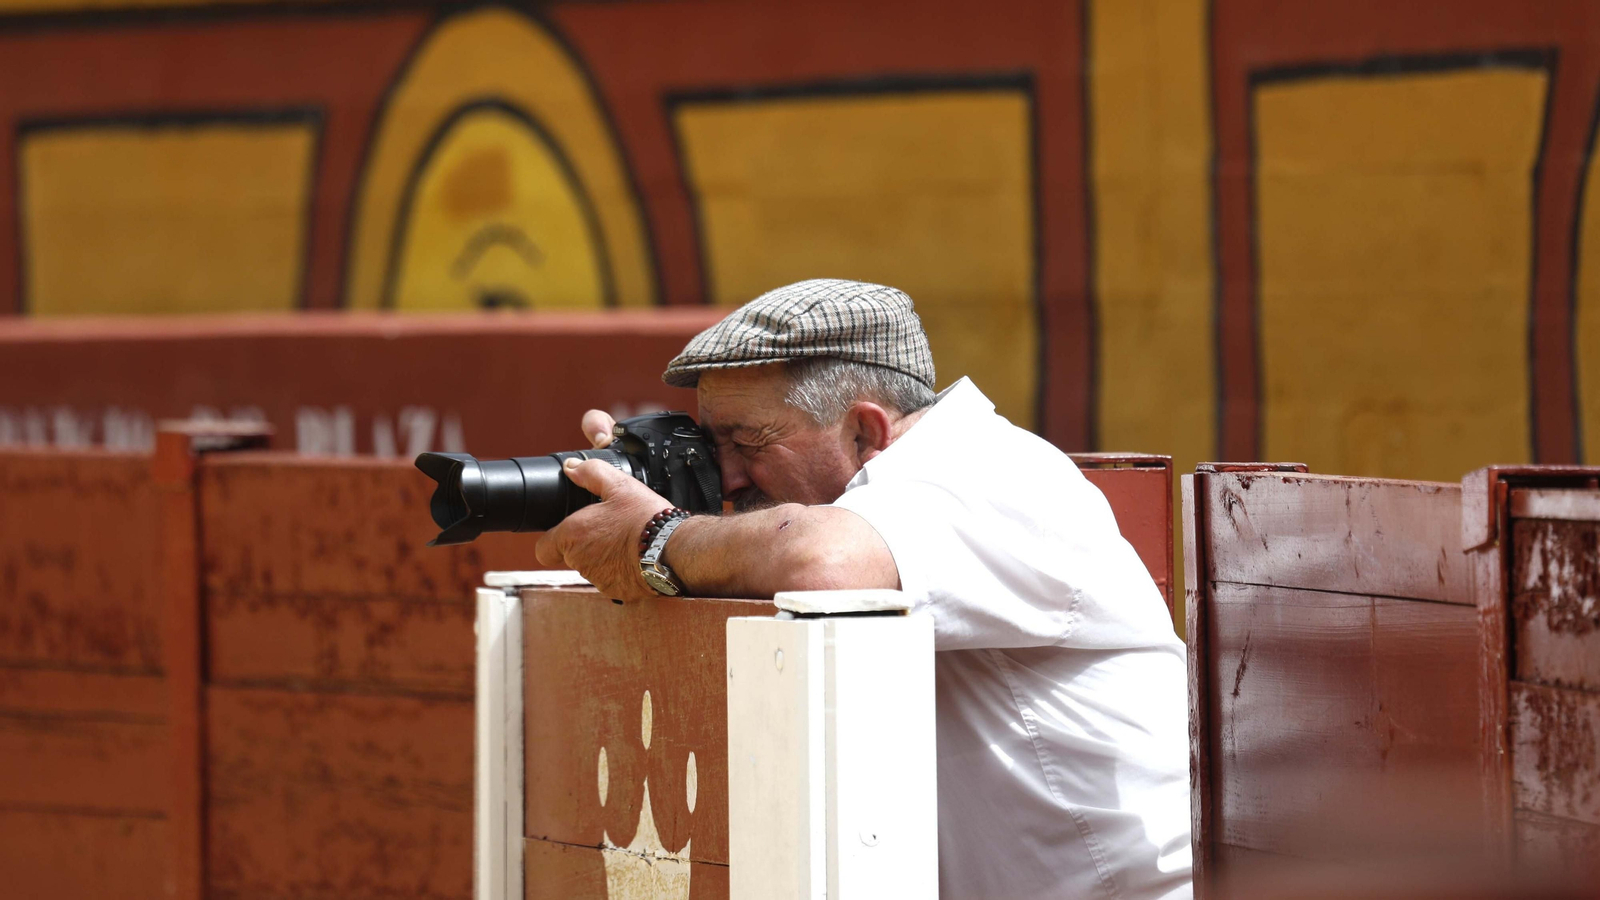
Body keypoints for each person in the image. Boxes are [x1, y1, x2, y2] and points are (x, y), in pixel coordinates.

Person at [535, 278, 1192, 899]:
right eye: (711, 447)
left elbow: (823, 561)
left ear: (866, 431)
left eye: (745, 442)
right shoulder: (897, 492)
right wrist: (644, 489)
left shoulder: (980, 471)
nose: (728, 479)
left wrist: (656, 538)